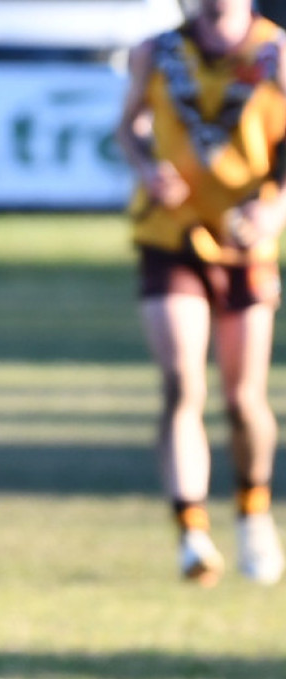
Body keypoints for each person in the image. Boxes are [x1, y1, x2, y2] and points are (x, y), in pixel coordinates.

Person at [117, 0, 286, 585]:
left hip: (245, 243)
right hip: (171, 234)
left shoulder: (276, 52)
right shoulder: (157, 52)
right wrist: (146, 168)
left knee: (243, 400)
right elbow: (129, 127)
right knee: (181, 382)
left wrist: (275, 207)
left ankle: (253, 513)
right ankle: (191, 532)